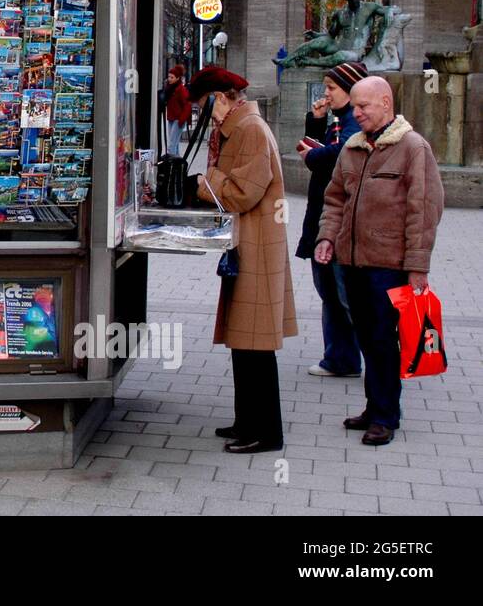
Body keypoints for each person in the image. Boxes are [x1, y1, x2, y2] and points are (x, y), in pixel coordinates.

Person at [314, 76, 445, 447]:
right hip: (352, 263)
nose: (356, 113)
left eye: (363, 107)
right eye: (354, 106)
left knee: (384, 341)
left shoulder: (412, 148)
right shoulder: (353, 148)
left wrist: (418, 266)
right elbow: (334, 199)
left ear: (386, 103)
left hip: (389, 265)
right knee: (368, 339)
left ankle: (386, 416)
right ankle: (375, 408)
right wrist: (327, 238)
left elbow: (425, 210)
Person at [188, 66, 296, 454]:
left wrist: (202, 183)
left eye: (205, 105)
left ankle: (266, 432)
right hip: (248, 242)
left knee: (256, 345)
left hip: (257, 244)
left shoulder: (249, 128)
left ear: (220, 97)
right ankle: (246, 420)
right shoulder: (240, 125)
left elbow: (242, 192)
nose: (206, 115)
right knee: (244, 341)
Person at [296, 61, 366, 379]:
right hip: (323, 216)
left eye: (332, 87)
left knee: (343, 294)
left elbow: (341, 153)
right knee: (330, 291)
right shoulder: (338, 119)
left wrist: (312, 155)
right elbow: (323, 152)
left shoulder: (355, 122)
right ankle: (340, 356)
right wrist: (316, 122)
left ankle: (357, 357)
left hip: (337, 222)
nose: (326, 93)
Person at [159, 64, 191, 155]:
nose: (169, 79)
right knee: (174, 143)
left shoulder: (181, 89)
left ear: (177, 78)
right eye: (169, 77)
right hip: (172, 118)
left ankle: (171, 163)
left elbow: (187, 105)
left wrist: (182, 119)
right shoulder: (170, 88)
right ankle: (176, 162)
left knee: (172, 144)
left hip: (178, 119)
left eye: (172, 77)